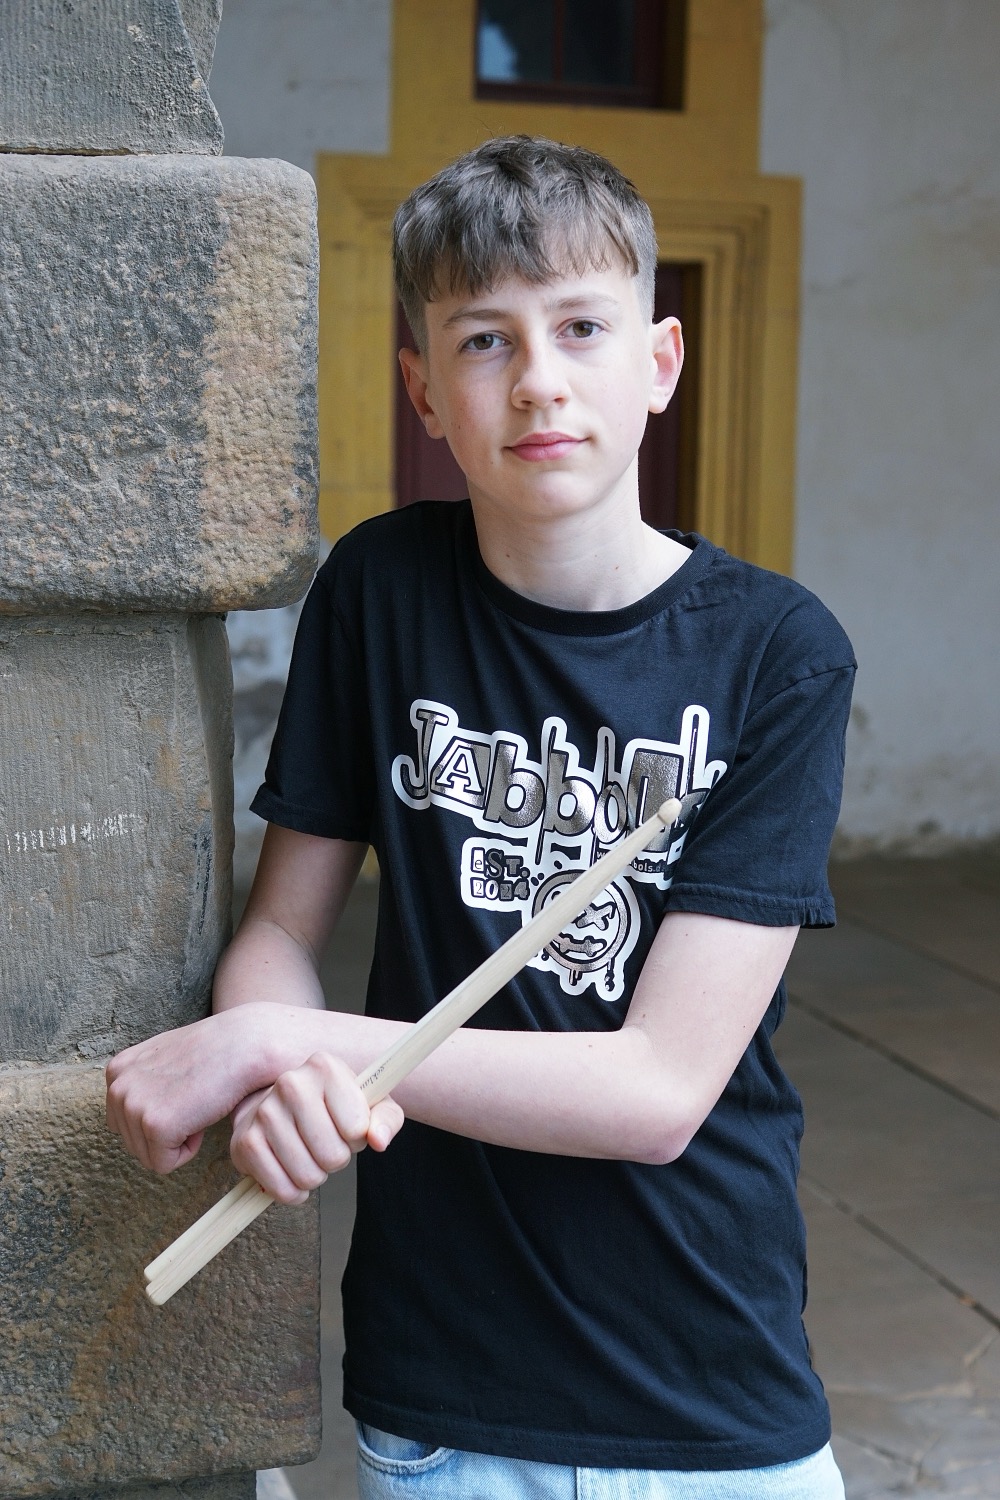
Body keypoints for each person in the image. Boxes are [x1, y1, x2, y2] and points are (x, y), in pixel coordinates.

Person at [107, 135, 855, 1499]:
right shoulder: (380, 591)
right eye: (483, 340)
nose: (539, 379)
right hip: (444, 1390)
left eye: (581, 327)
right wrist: (289, 1079)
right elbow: (282, 930)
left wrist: (283, 1039)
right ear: (425, 392)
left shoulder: (777, 655)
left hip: (705, 1378)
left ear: (661, 363)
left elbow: (659, 1091)